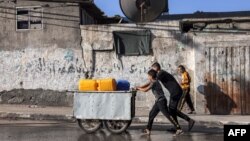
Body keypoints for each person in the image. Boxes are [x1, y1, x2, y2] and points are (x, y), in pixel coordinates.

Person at [137, 62, 195, 133]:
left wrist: (139, 88)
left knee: (171, 111)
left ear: (156, 68)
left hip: (175, 92)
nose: (152, 71)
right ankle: (178, 126)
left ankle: (183, 124)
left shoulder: (160, 73)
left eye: (153, 69)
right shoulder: (160, 74)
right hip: (174, 92)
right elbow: (151, 82)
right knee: (171, 110)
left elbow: (151, 82)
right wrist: (139, 87)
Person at [136, 69, 183, 136]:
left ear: (151, 76)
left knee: (168, 115)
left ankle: (178, 129)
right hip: (158, 101)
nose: (148, 77)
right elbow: (146, 85)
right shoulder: (154, 81)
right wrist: (138, 87)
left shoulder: (154, 82)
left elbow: (146, 89)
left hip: (161, 101)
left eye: (148, 76)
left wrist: (139, 89)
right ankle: (148, 129)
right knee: (151, 114)